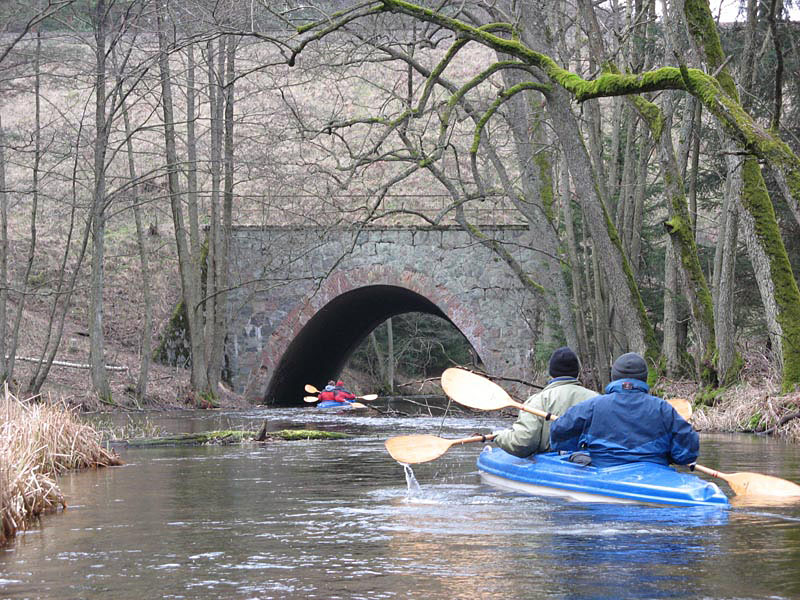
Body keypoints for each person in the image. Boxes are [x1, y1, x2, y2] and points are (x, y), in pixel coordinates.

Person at [549, 352, 699, 468]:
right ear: (644, 378)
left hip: (604, 469)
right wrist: (670, 456)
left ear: (614, 377)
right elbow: (687, 452)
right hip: (653, 471)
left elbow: (559, 434)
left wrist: (582, 445)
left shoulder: (592, 406)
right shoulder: (663, 409)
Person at [492, 347, 597, 457]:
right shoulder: (597, 399)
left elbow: (522, 443)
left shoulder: (537, 401)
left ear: (551, 373)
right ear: (577, 373)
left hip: (551, 461)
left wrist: (500, 436)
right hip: (591, 461)